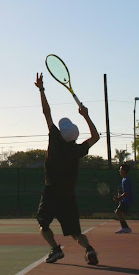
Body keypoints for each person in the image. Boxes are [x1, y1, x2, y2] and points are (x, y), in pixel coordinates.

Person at [34, 73, 100, 265]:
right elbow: (95, 137)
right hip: (68, 195)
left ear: (61, 132)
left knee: (43, 224)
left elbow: (47, 112)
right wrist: (87, 115)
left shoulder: (55, 141)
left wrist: (41, 90)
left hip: (51, 191)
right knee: (76, 232)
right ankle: (89, 249)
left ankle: (55, 249)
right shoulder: (76, 150)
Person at [113, 164, 134, 233]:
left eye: (121, 169)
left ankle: (125, 228)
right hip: (126, 200)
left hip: (127, 200)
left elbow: (127, 192)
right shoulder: (124, 179)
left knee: (118, 212)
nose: (120, 171)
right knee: (120, 213)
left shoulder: (126, 180)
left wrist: (119, 198)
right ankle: (125, 227)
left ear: (124, 171)